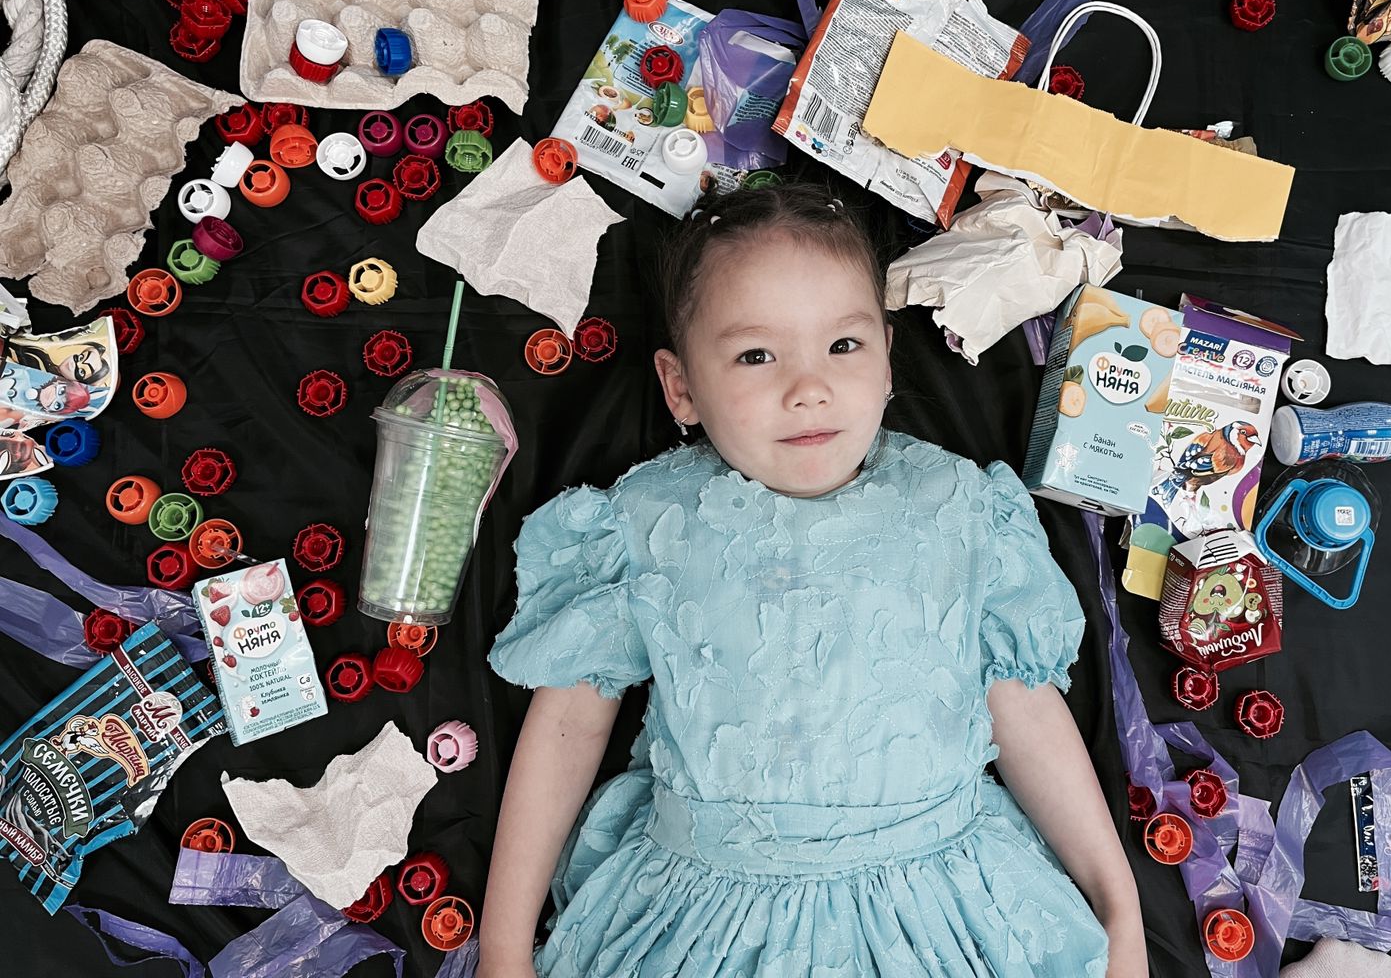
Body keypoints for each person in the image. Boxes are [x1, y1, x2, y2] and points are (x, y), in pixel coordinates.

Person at [479, 183, 1146, 978]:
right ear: (680, 386)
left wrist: (1120, 908)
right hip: (707, 921)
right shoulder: (644, 521)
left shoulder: (960, 508)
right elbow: (566, 727)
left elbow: (1027, 714)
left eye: (843, 345)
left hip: (940, 909)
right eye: (756, 356)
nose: (808, 388)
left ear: (888, 360)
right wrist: (504, 947)